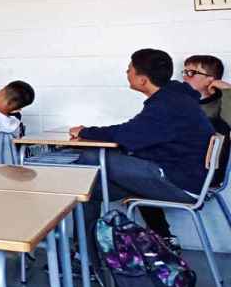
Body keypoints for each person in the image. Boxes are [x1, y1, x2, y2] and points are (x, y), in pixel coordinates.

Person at [69, 49, 214, 260]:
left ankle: (87, 256)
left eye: (130, 69)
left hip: (181, 183)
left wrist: (84, 131)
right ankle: (84, 256)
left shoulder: (168, 104)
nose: (126, 72)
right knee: (89, 189)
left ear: (143, 79)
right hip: (180, 176)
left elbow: (127, 134)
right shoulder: (173, 98)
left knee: (91, 158)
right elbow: (136, 134)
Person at [139, 54, 231, 248]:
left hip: (199, 173)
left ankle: (162, 238)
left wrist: (227, 90)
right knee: (140, 171)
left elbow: (227, 123)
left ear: (210, 79)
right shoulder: (181, 102)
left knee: (138, 178)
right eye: (185, 72)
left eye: (192, 73)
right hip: (180, 165)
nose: (185, 77)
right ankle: (162, 238)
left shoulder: (218, 106)